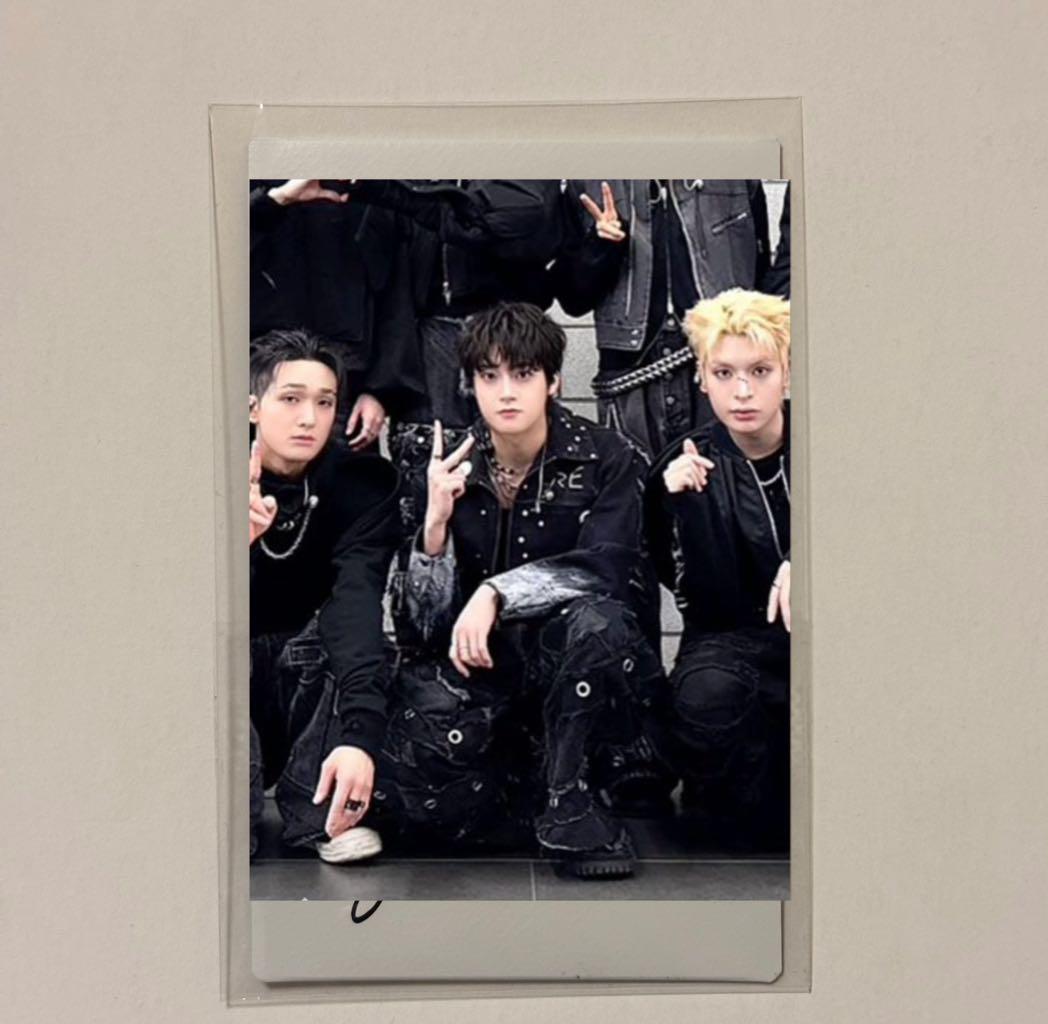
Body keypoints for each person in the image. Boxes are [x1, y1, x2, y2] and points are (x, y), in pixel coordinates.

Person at [382, 302, 666, 879]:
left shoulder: (608, 457)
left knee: (598, 623)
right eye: (490, 376)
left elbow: (608, 571)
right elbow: (421, 632)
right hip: (486, 681)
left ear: (553, 381)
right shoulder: (445, 467)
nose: (506, 392)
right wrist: (435, 528)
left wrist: (496, 593)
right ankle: (530, 789)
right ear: (470, 384)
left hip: (583, 677)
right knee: (419, 802)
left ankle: (569, 798)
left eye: (523, 374)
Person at [645, 288, 792, 852]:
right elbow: (672, 580)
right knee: (707, 707)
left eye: (760, 371)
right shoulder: (685, 462)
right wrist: (673, 506)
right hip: (727, 641)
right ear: (702, 379)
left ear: (787, 373)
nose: (743, 391)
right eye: (724, 373)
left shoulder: (832, 448)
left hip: (825, 641)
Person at [248, 328, 401, 862]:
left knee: (352, 640)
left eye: (324, 402)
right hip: (226, 681)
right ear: (252, 407)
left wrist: (359, 736)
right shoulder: (202, 476)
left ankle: (320, 813)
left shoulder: (355, 487)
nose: (309, 419)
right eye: (291, 399)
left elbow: (354, 605)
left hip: (305, 677)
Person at [342, 180, 565, 533]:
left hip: (513, 333)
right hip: (426, 347)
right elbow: (383, 284)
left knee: (524, 486)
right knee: (427, 485)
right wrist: (378, 388)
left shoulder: (520, 166)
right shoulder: (406, 171)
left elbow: (507, 219)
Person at [551, 179, 790, 461]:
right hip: (630, 372)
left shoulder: (736, 176)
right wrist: (600, 247)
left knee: (729, 478)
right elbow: (572, 299)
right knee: (636, 482)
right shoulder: (590, 181)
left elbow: (759, 282)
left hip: (719, 360)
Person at [249, 179, 425, 451]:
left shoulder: (364, 186)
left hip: (344, 383)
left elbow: (394, 290)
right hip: (257, 373)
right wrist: (275, 200)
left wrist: (379, 391)